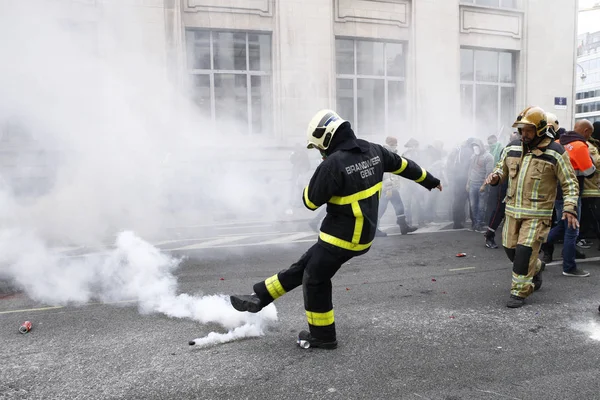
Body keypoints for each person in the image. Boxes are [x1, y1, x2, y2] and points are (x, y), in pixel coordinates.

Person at [230, 109, 442, 349]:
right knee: (304, 267)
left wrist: (321, 170)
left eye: (320, 147)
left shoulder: (333, 164)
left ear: (327, 137)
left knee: (315, 279)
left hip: (341, 237)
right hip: (362, 234)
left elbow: (310, 202)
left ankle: (323, 336)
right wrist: (430, 180)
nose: (321, 151)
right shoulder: (374, 150)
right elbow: (404, 165)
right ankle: (260, 297)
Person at [485, 106, 579, 308]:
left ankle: (519, 291)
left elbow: (569, 183)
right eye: (521, 130)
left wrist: (570, 207)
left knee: (524, 252)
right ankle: (537, 267)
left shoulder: (556, 152)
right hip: (512, 212)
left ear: (540, 129)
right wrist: (494, 178)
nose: (524, 134)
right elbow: (500, 170)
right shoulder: (511, 148)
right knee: (511, 250)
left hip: (537, 215)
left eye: (528, 130)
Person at [540, 119, 595, 277]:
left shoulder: (558, 142)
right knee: (572, 229)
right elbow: (589, 171)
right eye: (590, 134)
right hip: (572, 192)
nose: (590, 137)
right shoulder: (580, 145)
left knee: (563, 225)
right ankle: (569, 267)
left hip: (556, 192)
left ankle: (540, 241)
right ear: (585, 132)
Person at [484, 131, 520, 248]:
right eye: (511, 138)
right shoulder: (508, 149)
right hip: (505, 183)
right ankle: (489, 235)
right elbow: (501, 167)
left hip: (519, 185)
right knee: (500, 209)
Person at [377, 136, 418, 235]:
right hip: (387, 187)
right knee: (382, 207)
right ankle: (374, 229)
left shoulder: (389, 153)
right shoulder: (385, 153)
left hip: (390, 186)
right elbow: (386, 173)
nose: (396, 146)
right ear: (390, 144)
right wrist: (389, 187)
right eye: (394, 144)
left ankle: (403, 226)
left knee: (399, 205)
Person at [466, 139, 494, 232]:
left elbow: (488, 173)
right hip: (472, 183)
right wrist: (468, 183)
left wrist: (484, 185)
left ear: (481, 146)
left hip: (482, 184)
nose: (475, 147)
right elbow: (470, 170)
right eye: (473, 146)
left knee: (481, 206)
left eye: (476, 145)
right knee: (473, 205)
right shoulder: (473, 156)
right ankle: (475, 223)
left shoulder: (488, 157)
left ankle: (479, 224)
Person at [447, 138, 476, 229]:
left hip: (457, 178)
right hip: (466, 178)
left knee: (458, 201)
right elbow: (470, 165)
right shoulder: (469, 151)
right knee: (472, 200)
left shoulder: (456, 151)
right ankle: (475, 221)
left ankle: (457, 222)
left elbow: (449, 164)